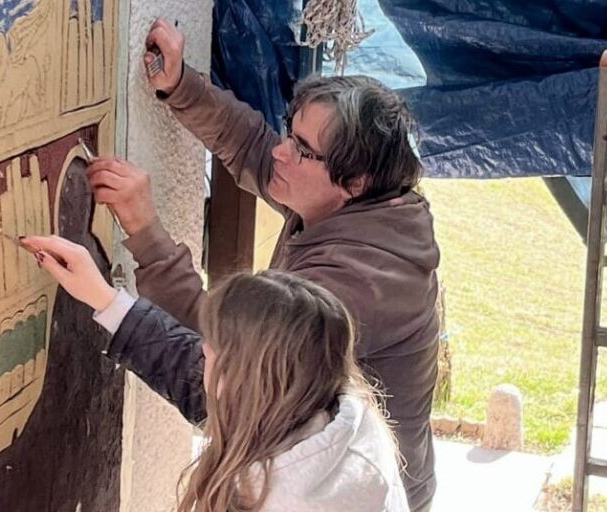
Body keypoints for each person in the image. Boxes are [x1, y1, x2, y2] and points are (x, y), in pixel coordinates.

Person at [85, 17, 441, 511]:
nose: (281, 151)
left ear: (354, 182)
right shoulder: (348, 203)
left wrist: (144, 233)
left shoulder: (358, 283)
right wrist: (181, 85)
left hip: (343, 496)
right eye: (291, 133)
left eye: (302, 150)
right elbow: (254, 147)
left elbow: (224, 362)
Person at [24, 236, 409, 511]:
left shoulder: (287, 500)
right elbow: (185, 366)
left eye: (214, 346)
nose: (203, 350)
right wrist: (104, 298)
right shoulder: (316, 405)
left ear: (243, 377)